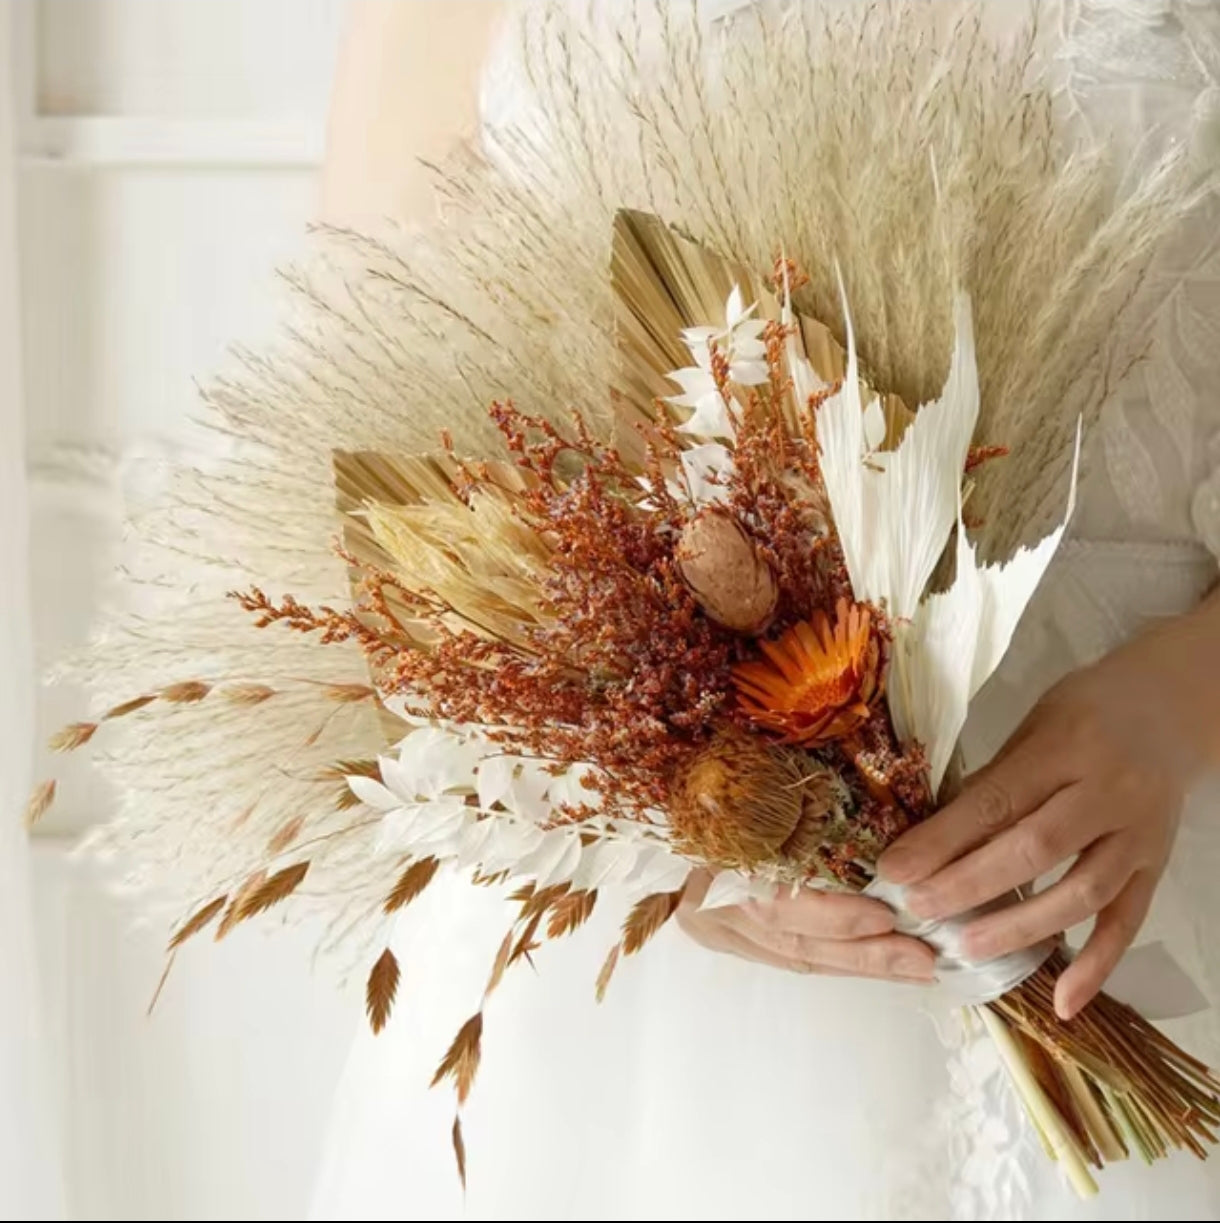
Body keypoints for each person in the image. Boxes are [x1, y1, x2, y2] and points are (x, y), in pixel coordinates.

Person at [310, 2, 1220, 1218]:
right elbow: (365, 474)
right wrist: (649, 824)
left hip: (1147, 872)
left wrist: (1179, 700)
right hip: (634, 1015)